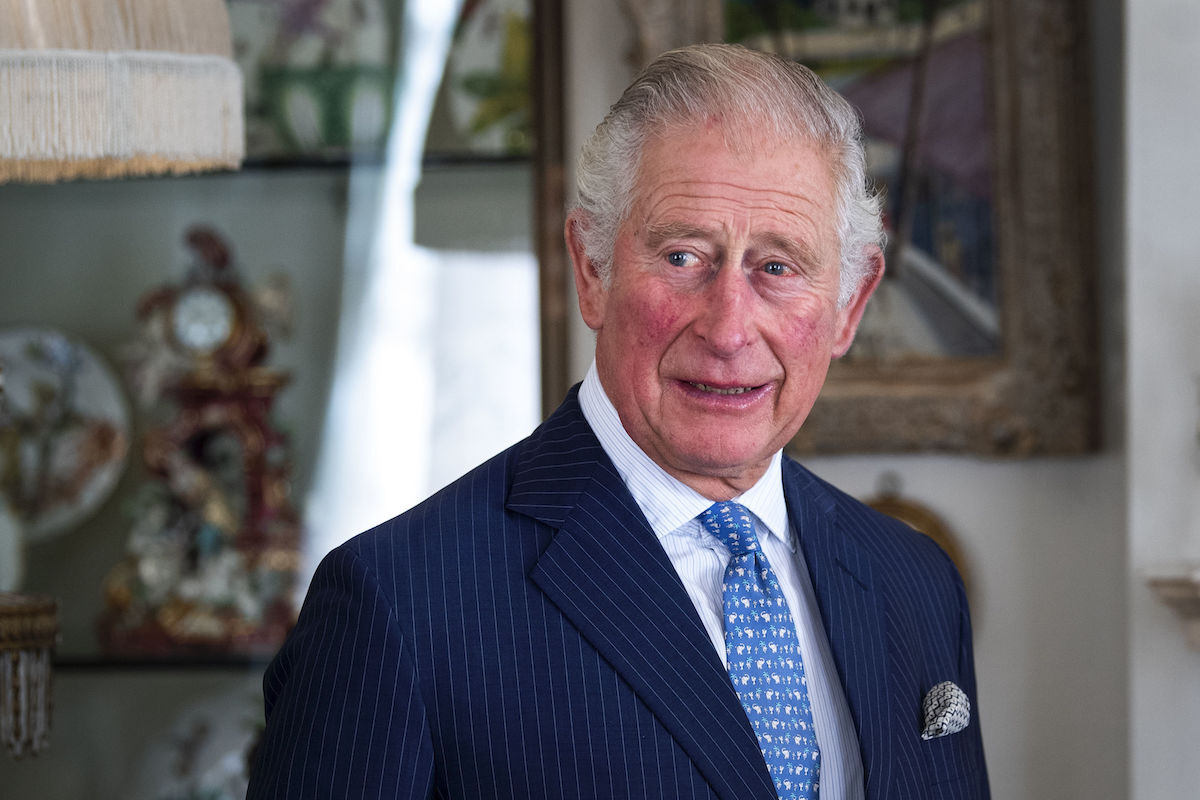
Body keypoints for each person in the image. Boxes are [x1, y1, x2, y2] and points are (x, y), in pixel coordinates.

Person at [247, 43, 989, 799]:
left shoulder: (916, 583)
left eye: (777, 267)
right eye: (683, 257)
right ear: (592, 270)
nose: (729, 329)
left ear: (850, 306)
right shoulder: (398, 605)